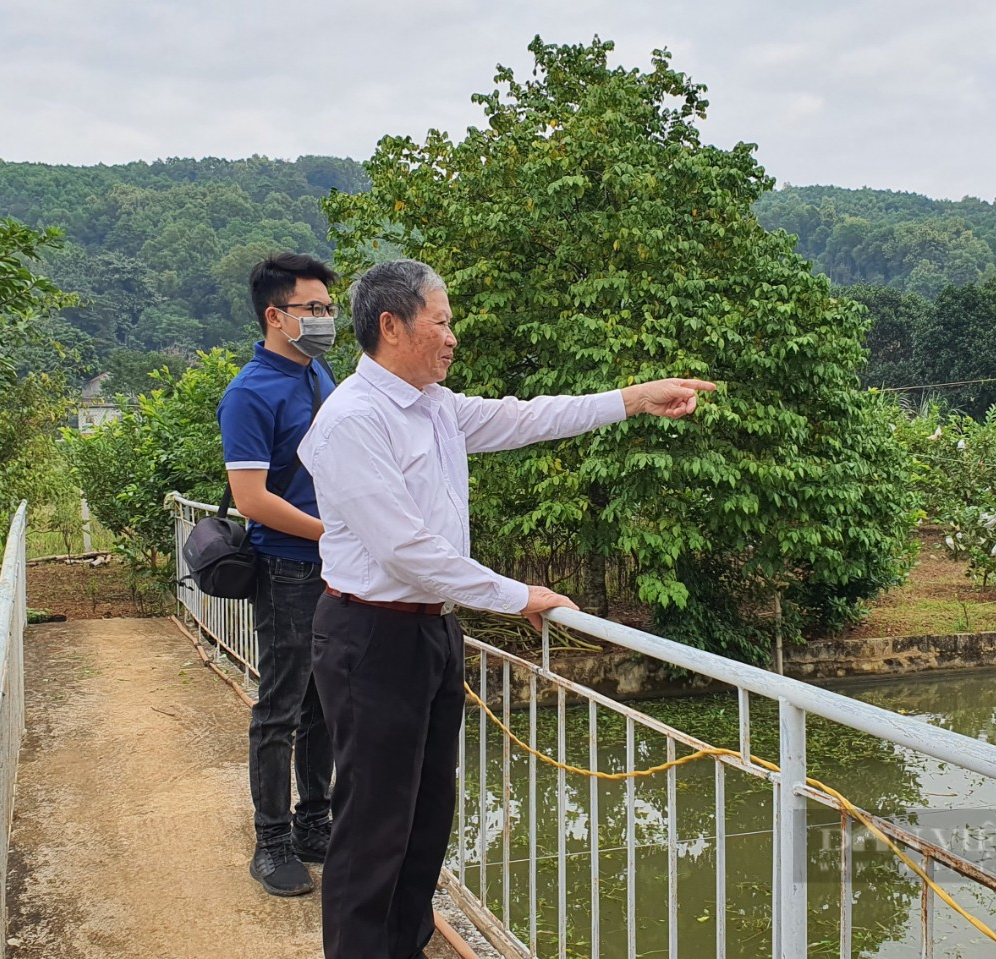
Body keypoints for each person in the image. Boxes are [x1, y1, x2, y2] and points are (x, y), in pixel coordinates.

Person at [298, 259, 715, 958]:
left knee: (426, 819)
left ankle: (403, 946)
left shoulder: (435, 405)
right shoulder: (353, 420)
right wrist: (515, 595)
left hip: (432, 633)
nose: (453, 335)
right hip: (371, 636)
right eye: (443, 320)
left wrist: (634, 397)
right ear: (391, 325)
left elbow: (528, 416)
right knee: (372, 827)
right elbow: (406, 553)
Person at [217, 253, 339, 897]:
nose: (324, 320)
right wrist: (333, 534)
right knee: (281, 706)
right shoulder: (250, 392)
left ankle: (315, 822)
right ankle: (271, 841)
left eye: (327, 309)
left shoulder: (322, 373)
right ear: (276, 315)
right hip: (289, 569)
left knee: (324, 703)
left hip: (337, 569)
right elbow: (251, 497)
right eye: (312, 309)